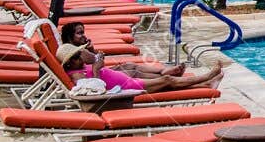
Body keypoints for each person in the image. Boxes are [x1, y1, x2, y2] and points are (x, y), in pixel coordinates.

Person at [55, 24, 225, 92]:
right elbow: (97, 90)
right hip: (126, 88)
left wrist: (93, 61)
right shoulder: (76, 75)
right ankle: (206, 77)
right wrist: (96, 69)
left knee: (165, 83)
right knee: (167, 81)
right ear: (69, 61)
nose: (81, 58)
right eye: (78, 56)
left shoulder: (76, 67)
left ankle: (206, 84)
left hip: (123, 81)